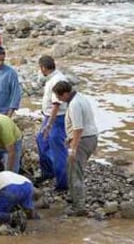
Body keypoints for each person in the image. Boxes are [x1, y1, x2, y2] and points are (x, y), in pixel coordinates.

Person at [52, 81, 98, 216]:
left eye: (60, 97)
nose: (59, 100)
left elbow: (78, 128)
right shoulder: (80, 97)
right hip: (90, 138)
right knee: (72, 169)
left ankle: (79, 207)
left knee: (75, 173)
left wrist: (73, 149)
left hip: (83, 140)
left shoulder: (74, 105)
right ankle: (74, 199)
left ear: (65, 94)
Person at [35, 56, 68, 191]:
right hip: (50, 117)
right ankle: (48, 172)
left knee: (58, 151)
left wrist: (49, 125)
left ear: (43, 67)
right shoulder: (53, 78)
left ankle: (63, 184)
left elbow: (56, 104)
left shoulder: (56, 80)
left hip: (56, 119)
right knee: (41, 140)